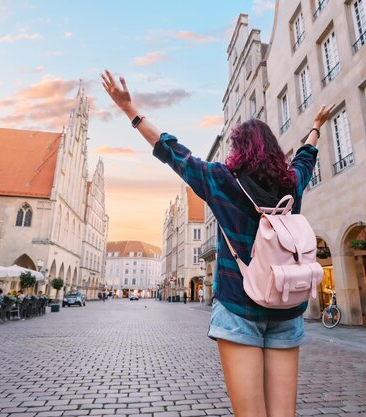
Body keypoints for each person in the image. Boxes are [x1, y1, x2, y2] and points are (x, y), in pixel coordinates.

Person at [101, 69, 332, 417]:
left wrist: (130, 111)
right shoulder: (291, 184)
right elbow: (306, 157)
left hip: (239, 306)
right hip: (286, 305)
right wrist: (316, 126)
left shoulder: (220, 180)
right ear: (272, 148)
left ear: (238, 149)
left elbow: (171, 150)